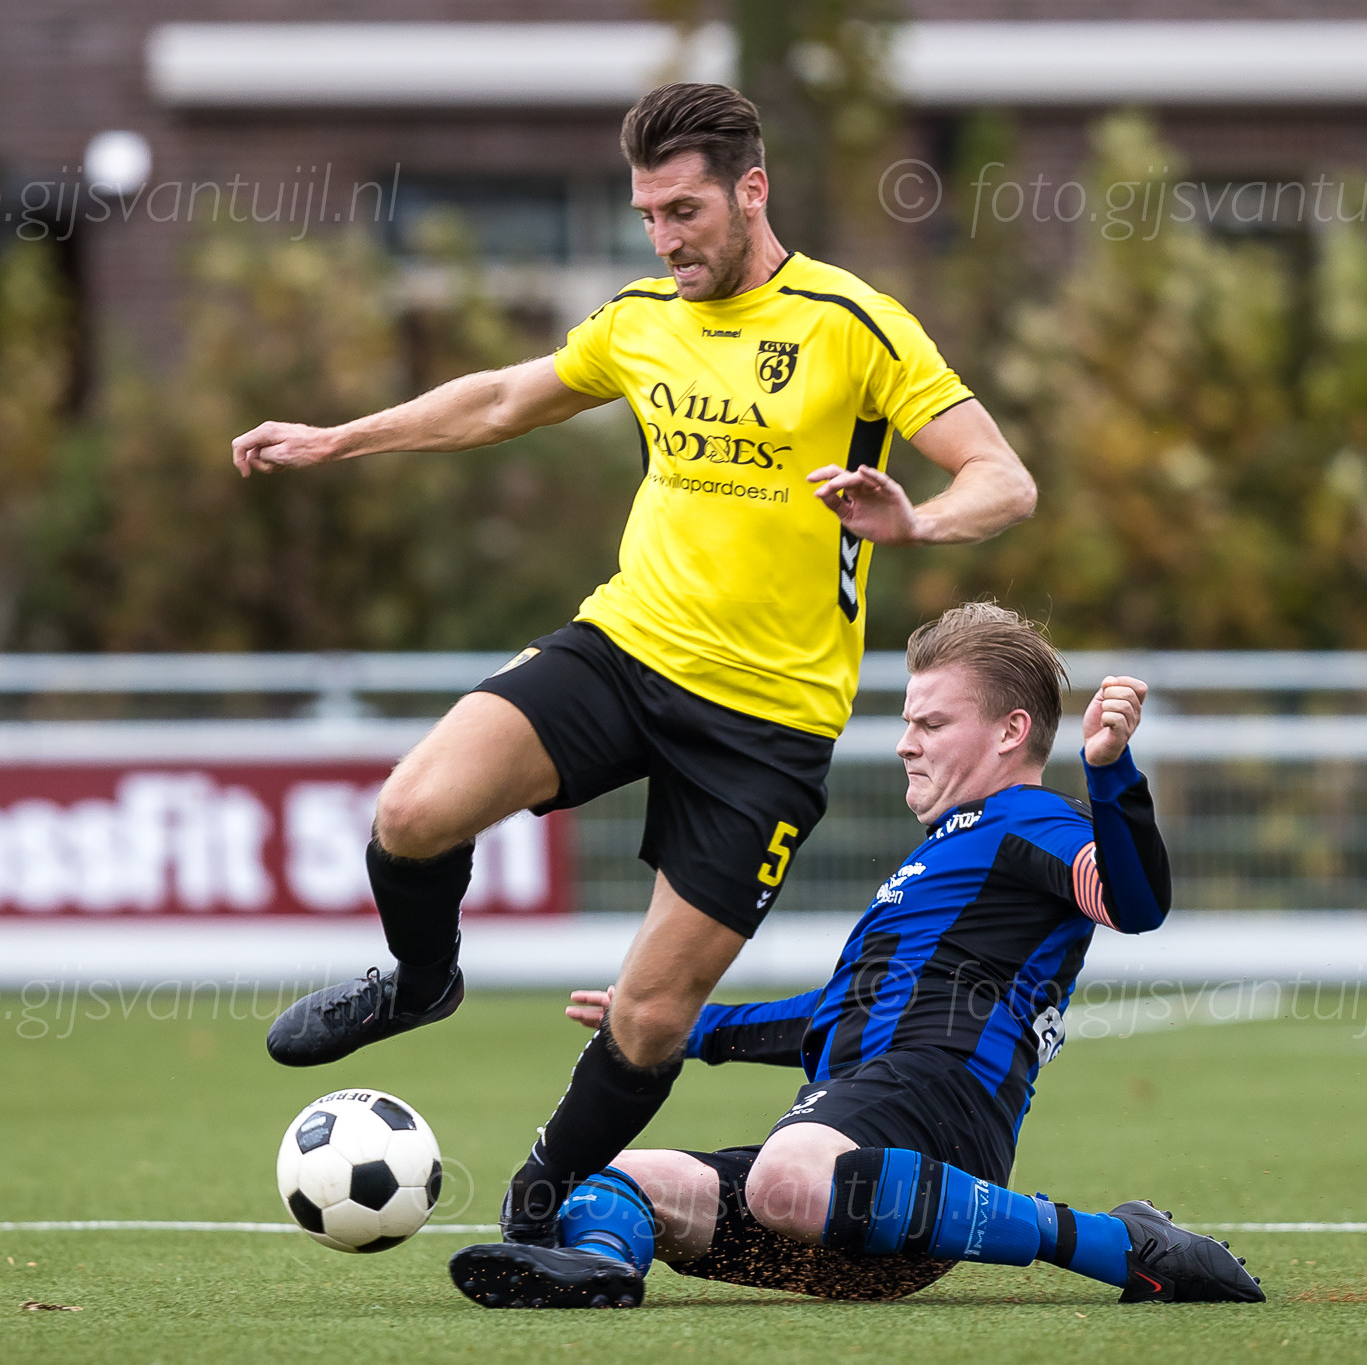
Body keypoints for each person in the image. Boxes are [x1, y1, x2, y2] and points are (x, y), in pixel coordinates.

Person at [231, 82, 1037, 1242]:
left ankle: (536, 1210)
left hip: (766, 722)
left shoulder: (850, 323)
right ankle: (419, 980)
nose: (663, 239)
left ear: (750, 191)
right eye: (646, 215)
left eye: (682, 212)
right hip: (623, 650)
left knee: (651, 1017)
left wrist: (915, 523)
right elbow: (501, 399)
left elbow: (1002, 480)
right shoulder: (639, 318)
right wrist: (335, 438)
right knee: (410, 813)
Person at [447, 602, 1266, 1310]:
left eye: (931, 724)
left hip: (937, 1118)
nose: (906, 744)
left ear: (1011, 731)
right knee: (609, 1180)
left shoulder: (1029, 819)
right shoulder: (942, 851)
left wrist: (1111, 772)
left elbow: (1132, 903)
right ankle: (597, 1270)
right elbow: (851, 1013)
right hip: (850, 1175)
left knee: (786, 1177)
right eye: (908, 722)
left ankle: (1122, 1245)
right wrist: (695, 1027)